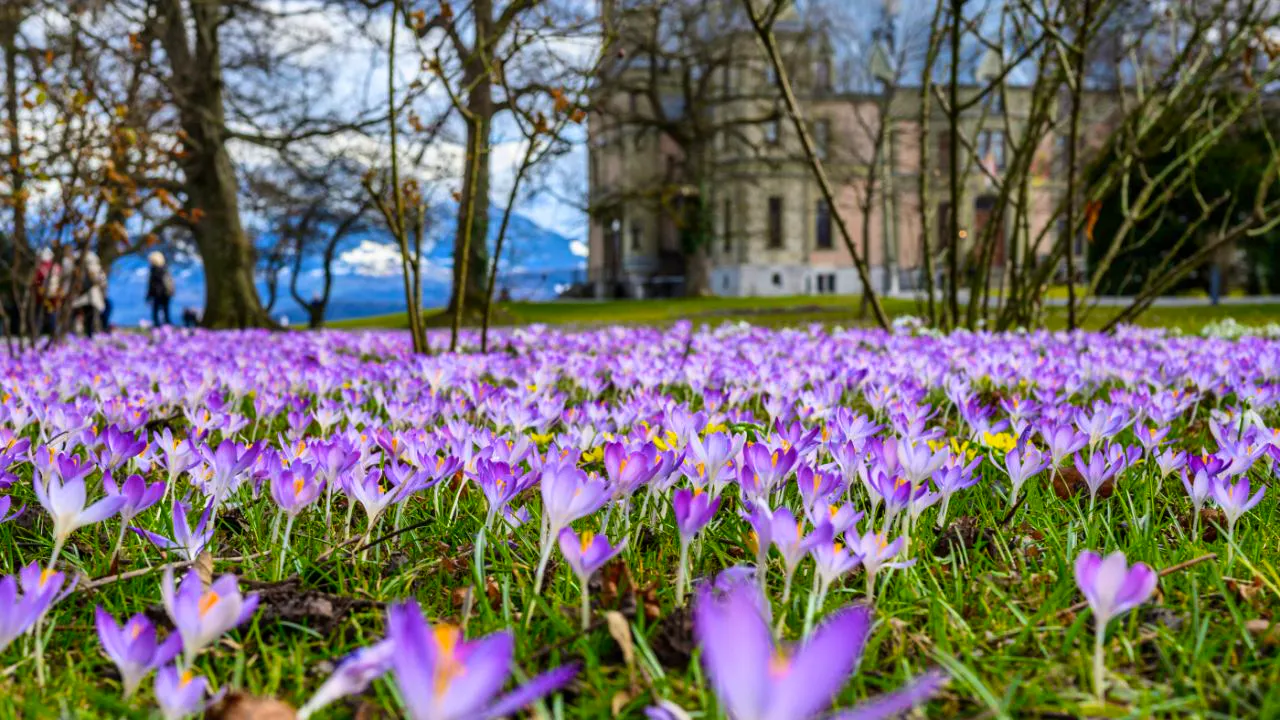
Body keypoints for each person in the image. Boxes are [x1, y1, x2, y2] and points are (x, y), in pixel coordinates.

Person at [70, 251, 107, 337]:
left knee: (88, 316)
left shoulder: (89, 268)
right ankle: (86, 333)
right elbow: (102, 281)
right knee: (86, 316)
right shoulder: (77, 269)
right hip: (85, 296)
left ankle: (88, 333)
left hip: (88, 295)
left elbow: (101, 281)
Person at [146, 251, 175, 326]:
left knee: (155, 311)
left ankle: (157, 326)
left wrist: (149, 295)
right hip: (167, 293)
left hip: (157, 293)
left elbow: (152, 284)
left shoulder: (154, 270)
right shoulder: (165, 268)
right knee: (166, 310)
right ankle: (167, 325)